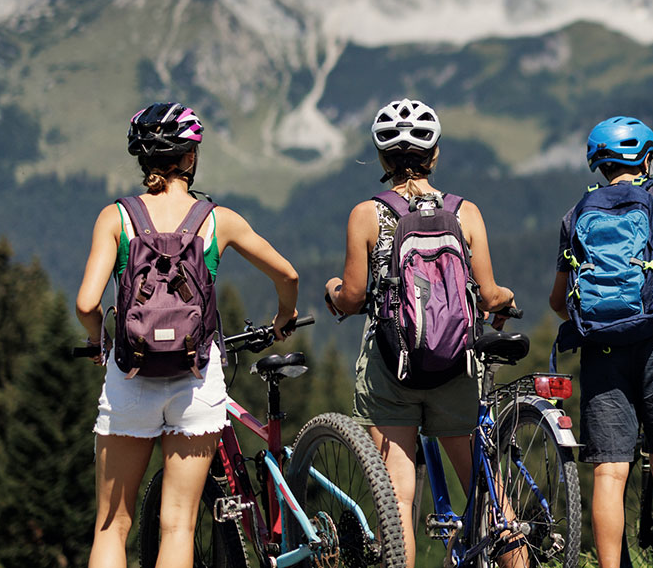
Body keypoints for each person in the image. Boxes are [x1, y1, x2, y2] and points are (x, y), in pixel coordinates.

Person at [75, 102, 300, 568]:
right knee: (178, 523)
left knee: (112, 526)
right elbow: (288, 275)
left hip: (130, 378)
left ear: (142, 159)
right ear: (190, 158)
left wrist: (101, 341)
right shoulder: (217, 220)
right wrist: (284, 315)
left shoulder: (116, 218)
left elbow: (86, 304)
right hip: (196, 378)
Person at [324, 98, 517, 568]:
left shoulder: (366, 214)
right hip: (454, 368)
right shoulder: (464, 212)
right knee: (487, 492)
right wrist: (507, 300)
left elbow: (351, 298)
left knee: (399, 504)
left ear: (382, 158)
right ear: (434, 156)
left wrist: (331, 290)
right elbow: (490, 295)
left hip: (393, 368)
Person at [547, 116, 653, 568]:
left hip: (602, 350)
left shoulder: (576, 214)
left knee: (610, 469)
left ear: (597, 163)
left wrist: (592, 319)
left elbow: (558, 299)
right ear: (646, 157)